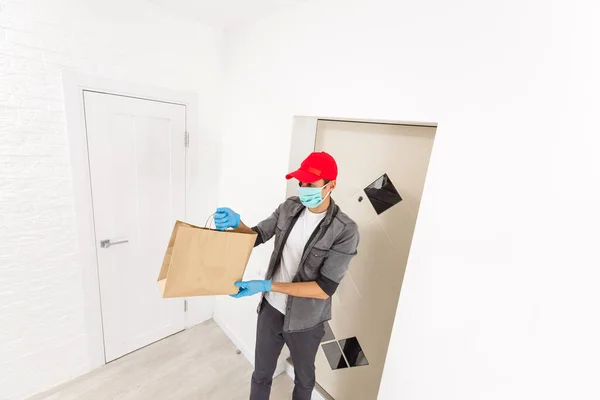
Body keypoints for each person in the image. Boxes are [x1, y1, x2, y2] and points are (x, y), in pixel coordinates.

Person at [214, 152, 360, 400]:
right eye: (301, 183)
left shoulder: (344, 230)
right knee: (261, 374)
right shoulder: (289, 207)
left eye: (310, 185)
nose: (303, 190)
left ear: (331, 185)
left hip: (306, 321)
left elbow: (324, 288)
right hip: (271, 310)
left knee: (304, 381)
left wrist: (265, 284)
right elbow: (258, 235)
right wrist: (237, 223)